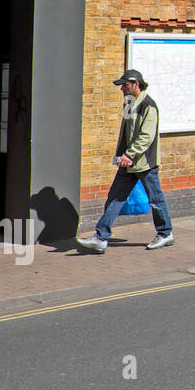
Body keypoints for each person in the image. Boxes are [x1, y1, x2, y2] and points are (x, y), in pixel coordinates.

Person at [76, 69, 174, 253]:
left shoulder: (148, 105)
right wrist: (121, 155)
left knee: (155, 200)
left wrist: (130, 154)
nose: (122, 88)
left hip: (145, 163)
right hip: (127, 162)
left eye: (125, 85)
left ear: (136, 84)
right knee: (115, 198)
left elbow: (146, 136)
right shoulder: (129, 104)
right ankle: (101, 237)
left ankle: (165, 233)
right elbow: (125, 133)